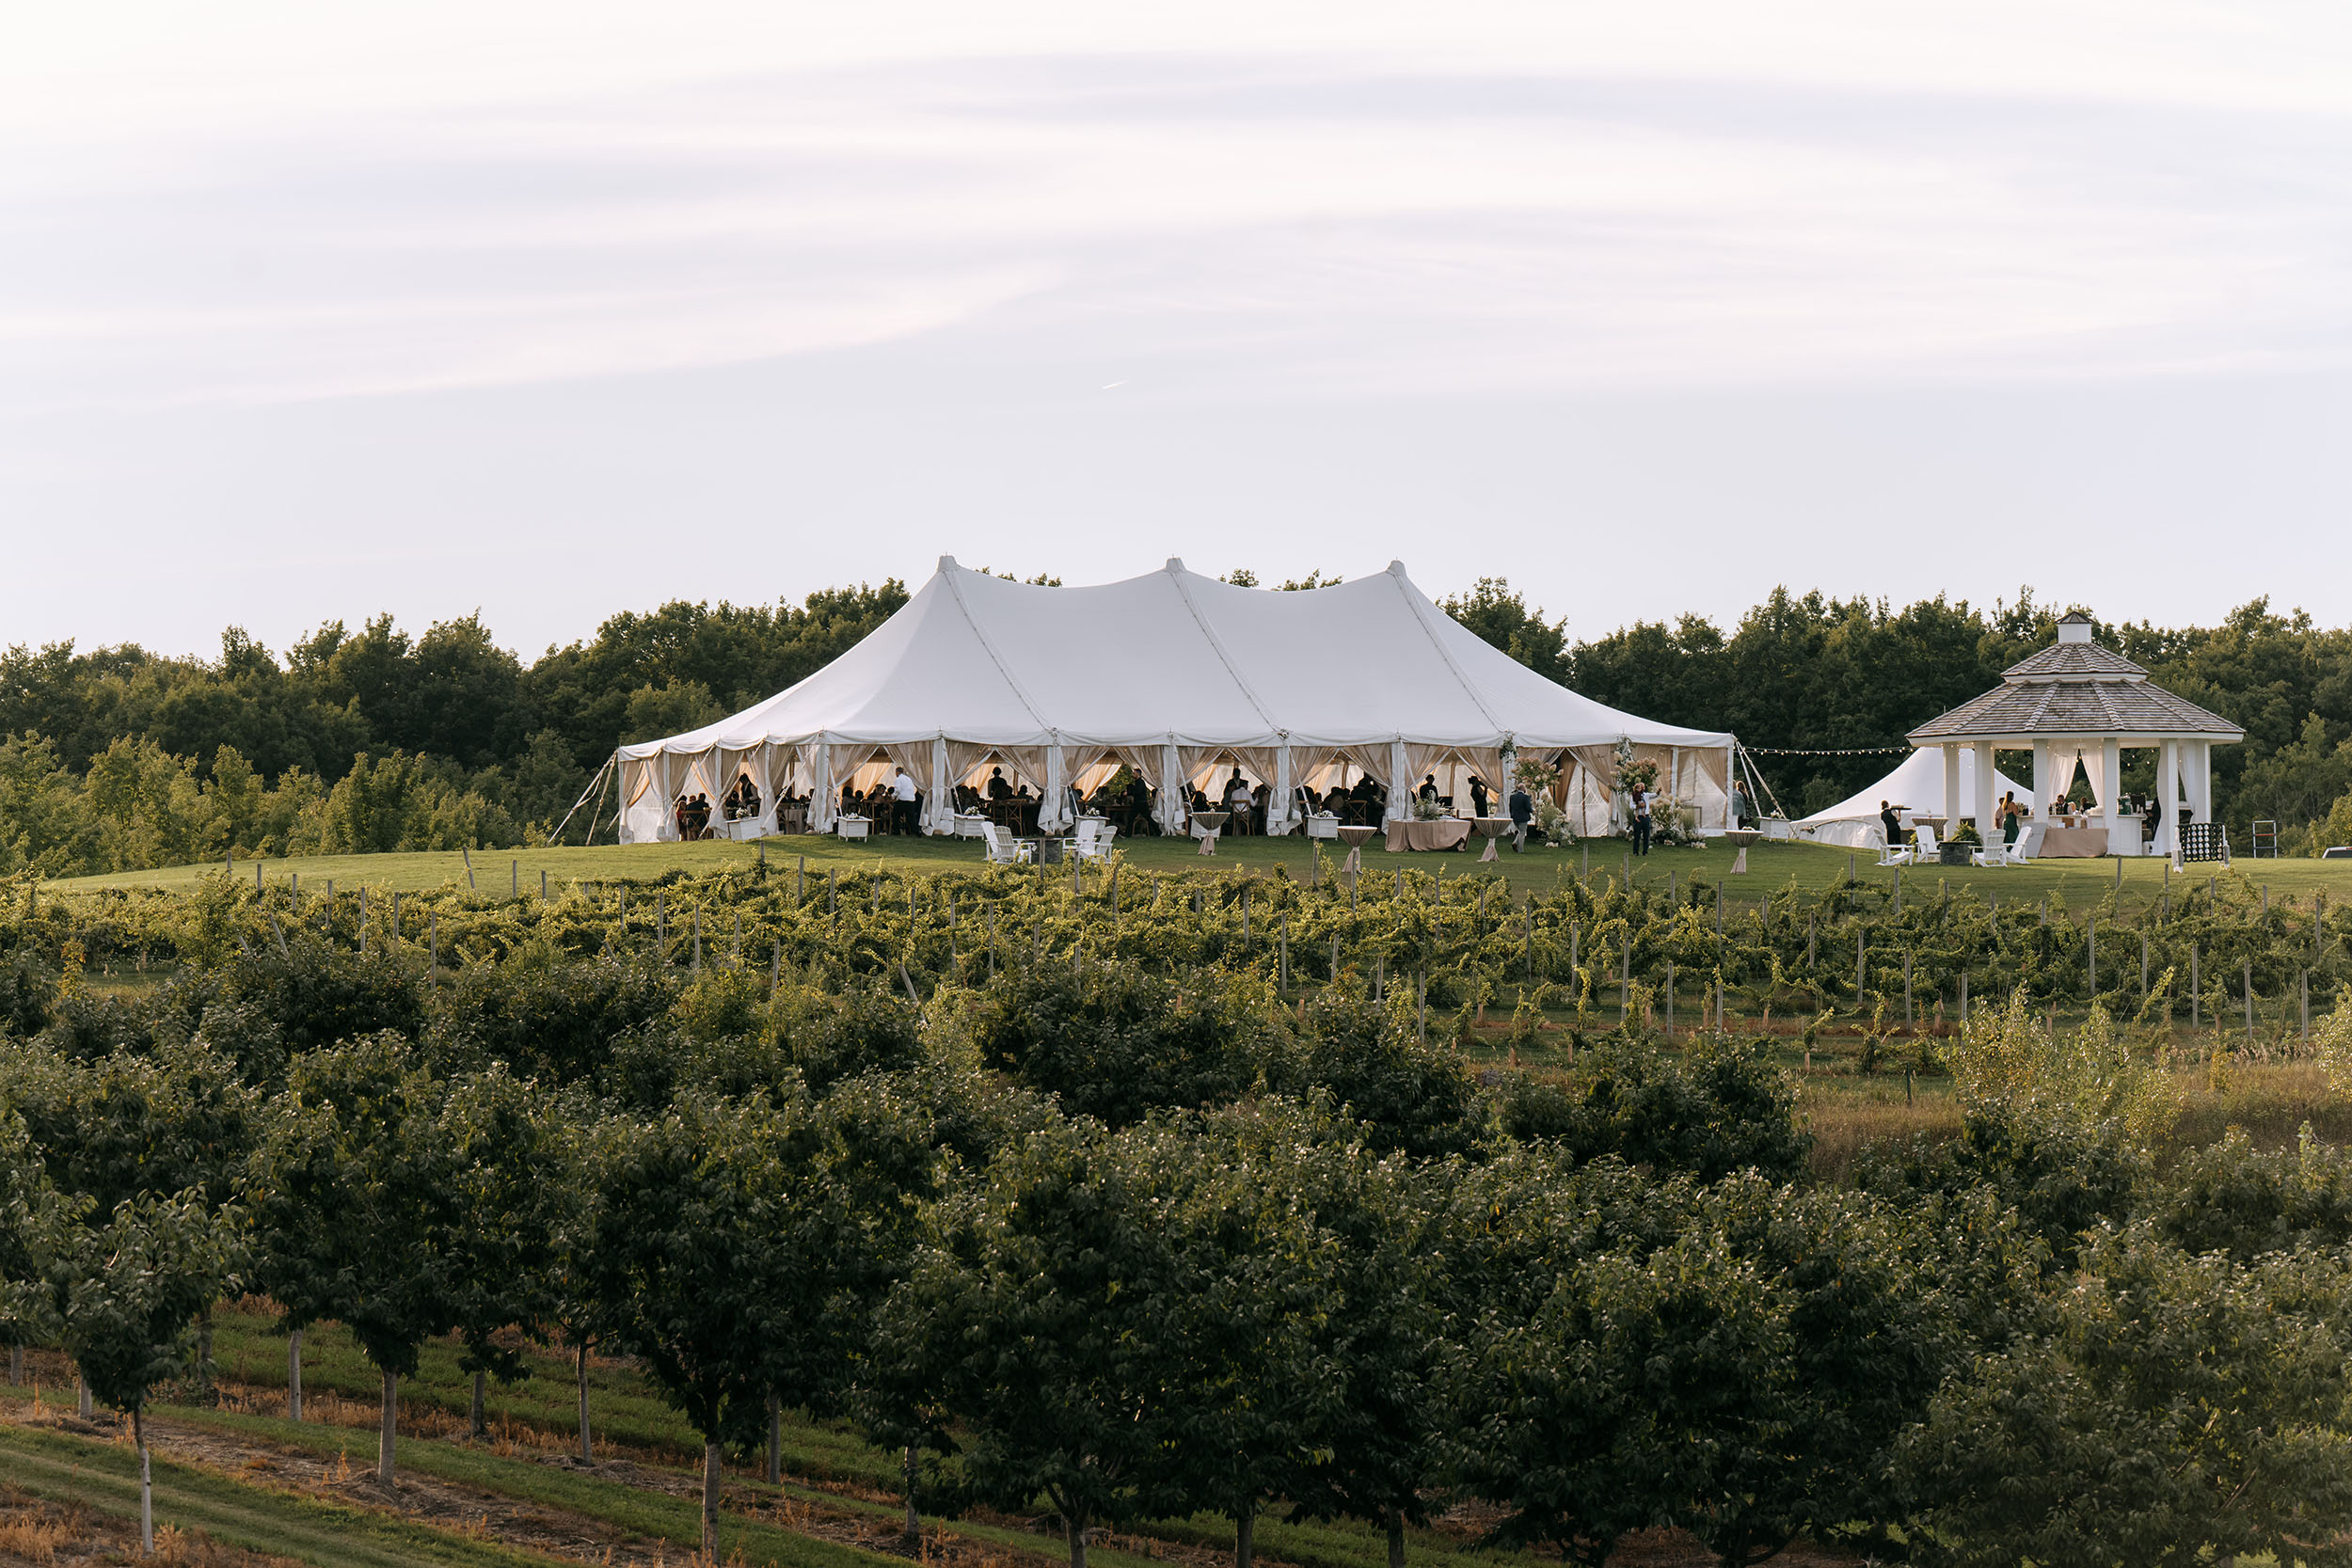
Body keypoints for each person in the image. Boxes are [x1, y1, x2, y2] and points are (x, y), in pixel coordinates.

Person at [892, 767, 920, 835]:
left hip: (902, 800)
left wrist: (893, 796)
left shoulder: (899, 779)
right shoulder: (909, 779)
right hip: (911, 800)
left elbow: (898, 790)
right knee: (911, 817)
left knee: (895, 815)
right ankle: (916, 831)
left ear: (897, 772)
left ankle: (896, 831)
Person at [1508, 780, 1534, 851]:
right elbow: (1528, 807)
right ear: (1523, 788)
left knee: (1520, 831)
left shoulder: (1512, 797)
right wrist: (1532, 811)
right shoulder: (1526, 797)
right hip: (1523, 817)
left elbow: (1510, 807)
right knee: (1522, 833)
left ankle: (1515, 842)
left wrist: (1511, 815)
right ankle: (1520, 849)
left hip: (1515, 817)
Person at [1629, 785, 1652, 856]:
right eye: (1639, 788)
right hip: (1638, 816)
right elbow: (1631, 806)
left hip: (1645, 816)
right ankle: (1635, 852)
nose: (1641, 788)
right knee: (1637, 835)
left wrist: (1658, 791)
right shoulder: (1633, 796)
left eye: (1642, 787)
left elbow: (1654, 795)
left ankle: (1645, 851)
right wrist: (1637, 806)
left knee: (1646, 835)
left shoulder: (1646, 795)